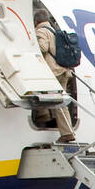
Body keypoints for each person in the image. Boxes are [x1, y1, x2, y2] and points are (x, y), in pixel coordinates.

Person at [33, 9, 76, 143]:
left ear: (36, 21)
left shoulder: (41, 31)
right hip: (63, 71)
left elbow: (43, 47)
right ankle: (67, 131)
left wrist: (31, 48)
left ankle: (43, 115)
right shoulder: (55, 31)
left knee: (37, 89)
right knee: (61, 101)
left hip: (53, 72)